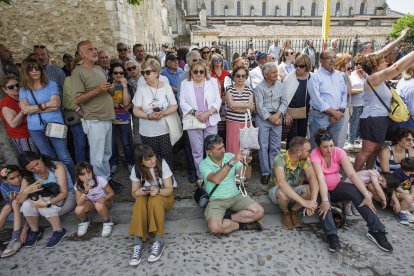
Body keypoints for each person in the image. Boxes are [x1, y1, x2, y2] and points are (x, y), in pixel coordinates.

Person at [310, 129, 393, 252]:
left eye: (331, 145)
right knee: (324, 202)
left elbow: (352, 175)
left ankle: (376, 230)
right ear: (319, 146)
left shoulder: (339, 152)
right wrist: (325, 200)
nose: (329, 150)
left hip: (336, 187)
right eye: (325, 147)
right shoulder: (314, 154)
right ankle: (332, 235)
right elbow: (321, 179)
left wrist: (366, 194)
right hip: (320, 189)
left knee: (356, 191)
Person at [354, 47, 414, 171]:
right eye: (382, 62)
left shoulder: (381, 80)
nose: (386, 63)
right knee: (367, 151)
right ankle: (353, 177)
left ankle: (369, 173)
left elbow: (400, 67)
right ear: (375, 67)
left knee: (376, 150)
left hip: (383, 118)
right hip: (373, 119)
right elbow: (396, 68)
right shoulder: (373, 78)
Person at [19, 57, 75, 181]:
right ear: (25, 71)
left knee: (64, 155)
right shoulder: (23, 90)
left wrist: (33, 108)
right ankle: (59, 182)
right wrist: (45, 105)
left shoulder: (51, 84)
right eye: (30, 68)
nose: (34, 71)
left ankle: (74, 183)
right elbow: (25, 110)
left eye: (37, 68)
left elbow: (55, 105)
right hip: (35, 128)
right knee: (48, 157)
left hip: (54, 124)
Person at [199, 135, 264, 235]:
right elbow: (216, 179)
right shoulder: (204, 164)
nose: (223, 150)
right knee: (215, 228)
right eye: (219, 149)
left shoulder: (229, 156)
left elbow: (246, 175)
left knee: (259, 211)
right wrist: (233, 161)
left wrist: (247, 164)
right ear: (209, 152)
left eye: (223, 146)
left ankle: (227, 218)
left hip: (235, 196)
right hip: (216, 200)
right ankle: (243, 225)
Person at [72, 40, 115, 183]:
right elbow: (77, 100)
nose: (94, 51)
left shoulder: (99, 69)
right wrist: (98, 90)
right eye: (90, 49)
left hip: (107, 117)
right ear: (81, 53)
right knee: (97, 157)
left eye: (95, 48)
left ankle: (106, 180)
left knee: (107, 154)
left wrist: (110, 89)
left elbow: (110, 93)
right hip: (94, 120)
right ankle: (101, 186)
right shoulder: (78, 72)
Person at [17, 151, 76, 248]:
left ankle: (59, 231)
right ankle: (35, 230)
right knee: (26, 205)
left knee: (44, 204)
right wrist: (26, 191)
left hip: (67, 198)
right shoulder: (28, 175)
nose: (36, 169)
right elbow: (19, 200)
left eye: (37, 164)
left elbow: (64, 193)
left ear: (40, 158)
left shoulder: (56, 167)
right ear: (26, 170)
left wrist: (45, 203)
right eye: (31, 169)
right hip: (45, 200)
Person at [128, 145, 175, 266]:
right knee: (139, 201)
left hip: (164, 197)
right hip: (146, 196)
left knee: (155, 199)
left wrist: (158, 191)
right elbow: (134, 193)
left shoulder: (161, 163)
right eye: (147, 159)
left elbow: (169, 189)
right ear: (140, 162)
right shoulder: (136, 169)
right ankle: (137, 243)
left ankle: (159, 240)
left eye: (152, 156)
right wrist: (139, 192)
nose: (152, 160)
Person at [180, 60, 221, 184]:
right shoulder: (185, 83)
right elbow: (182, 102)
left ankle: (214, 174)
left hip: (210, 120)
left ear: (205, 72)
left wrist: (208, 113)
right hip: (194, 121)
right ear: (191, 72)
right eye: (195, 71)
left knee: (212, 150)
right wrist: (195, 112)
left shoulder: (212, 82)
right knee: (197, 151)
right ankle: (201, 176)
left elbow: (217, 100)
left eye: (201, 71)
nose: (198, 74)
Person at [132, 59, 178, 170]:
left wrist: (164, 112)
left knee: (167, 156)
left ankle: (168, 178)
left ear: (157, 72)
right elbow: (135, 110)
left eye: (148, 72)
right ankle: (154, 179)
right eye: (143, 73)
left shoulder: (166, 87)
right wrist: (148, 116)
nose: (145, 76)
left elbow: (174, 105)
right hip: (147, 132)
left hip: (165, 129)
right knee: (150, 158)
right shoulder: (141, 89)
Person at [269, 137, 318, 229]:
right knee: (282, 193)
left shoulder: (305, 159)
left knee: (309, 189)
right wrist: (303, 202)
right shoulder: (280, 158)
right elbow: (281, 182)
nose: (310, 152)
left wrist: (313, 202)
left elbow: (312, 177)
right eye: (308, 150)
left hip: (295, 189)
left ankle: (293, 211)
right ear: (299, 152)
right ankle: (285, 213)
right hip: (277, 190)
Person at [254, 62, 287, 185]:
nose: (276, 74)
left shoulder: (280, 85)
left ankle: (275, 172)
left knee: (275, 146)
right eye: (273, 72)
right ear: (265, 74)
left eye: (276, 72)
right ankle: (266, 173)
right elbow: (260, 107)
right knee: (263, 146)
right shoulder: (259, 88)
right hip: (263, 119)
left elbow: (284, 101)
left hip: (277, 117)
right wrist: (270, 118)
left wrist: (278, 115)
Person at [307, 50, 347, 149]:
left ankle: (331, 165)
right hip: (320, 117)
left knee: (333, 145)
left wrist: (339, 112)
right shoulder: (315, 77)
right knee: (317, 146)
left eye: (334, 57)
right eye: (329, 58)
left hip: (338, 116)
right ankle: (316, 165)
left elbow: (344, 94)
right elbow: (317, 100)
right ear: (321, 60)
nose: (332, 60)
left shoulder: (339, 76)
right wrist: (333, 113)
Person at [74, 161, 115, 237]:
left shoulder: (100, 180)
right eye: (83, 174)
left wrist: (105, 198)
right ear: (78, 176)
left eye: (89, 172)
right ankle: (85, 221)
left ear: (92, 172)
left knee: (99, 205)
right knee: (78, 209)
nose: (87, 176)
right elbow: (79, 203)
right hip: (92, 204)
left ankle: (107, 222)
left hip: (105, 202)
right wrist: (85, 191)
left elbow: (111, 193)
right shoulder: (78, 185)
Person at [107, 62, 134, 174]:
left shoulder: (127, 85)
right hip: (110, 119)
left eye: (121, 73)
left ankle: (130, 163)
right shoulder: (108, 85)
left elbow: (126, 102)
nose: (118, 75)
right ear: (112, 74)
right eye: (116, 73)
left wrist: (124, 86)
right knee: (112, 144)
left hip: (124, 119)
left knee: (126, 143)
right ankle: (114, 163)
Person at [1, 74, 37, 153]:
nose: (15, 88)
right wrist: (23, 110)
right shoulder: (7, 103)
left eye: (17, 85)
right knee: (33, 160)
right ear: (4, 89)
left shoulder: (22, 97)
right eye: (11, 87)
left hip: (35, 132)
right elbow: (13, 124)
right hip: (23, 136)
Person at [283, 54, 312, 149]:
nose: (298, 68)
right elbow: (283, 97)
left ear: (307, 67)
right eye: (296, 65)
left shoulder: (311, 78)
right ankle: (289, 160)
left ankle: (299, 160)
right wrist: (286, 113)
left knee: (301, 138)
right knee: (292, 139)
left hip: (305, 113)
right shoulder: (290, 78)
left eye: (302, 66)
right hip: (291, 114)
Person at [62, 56, 88, 164]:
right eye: (78, 65)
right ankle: (81, 169)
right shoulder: (69, 80)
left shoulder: (89, 79)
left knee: (91, 144)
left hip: (90, 115)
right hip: (77, 117)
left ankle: (92, 169)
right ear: (73, 67)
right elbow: (68, 100)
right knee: (80, 144)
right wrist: (80, 111)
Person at [225, 66, 255, 154]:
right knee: (233, 148)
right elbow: (231, 104)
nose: (240, 78)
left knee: (245, 148)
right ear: (234, 77)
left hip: (246, 122)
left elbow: (251, 107)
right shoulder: (229, 89)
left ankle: (244, 167)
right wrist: (245, 106)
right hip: (233, 122)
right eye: (238, 76)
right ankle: (232, 167)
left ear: (246, 77)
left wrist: (236, 108)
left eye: (243, 76)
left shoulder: (249, 90)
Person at [0, 165, 25, 257]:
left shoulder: (25, 180)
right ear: (5, 180)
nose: (17, 180)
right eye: (12, 178)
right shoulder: (3, 186)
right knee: (8, 206)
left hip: (26, 207)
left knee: (14, 202)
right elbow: (9, 198)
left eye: (18, 176)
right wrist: (20, 194)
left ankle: (15, 237)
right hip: (15, 209)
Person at [333, 53, 353, 148]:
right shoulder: (342, 75)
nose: (350, 64)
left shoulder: (337, 74)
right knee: (340, 136)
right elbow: (349, 91)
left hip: (340, 108)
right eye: (348, 61)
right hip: (341, 109)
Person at [348, 54, 367, 151]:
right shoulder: (351, 75)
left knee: (362, 123)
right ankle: (350, 141)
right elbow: (348, 90)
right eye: (356, 63)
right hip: (355, 103)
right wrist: (361, 90)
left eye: (360, 63)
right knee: (354, 123)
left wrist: (365, 75)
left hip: (365, 103)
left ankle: (358, 139)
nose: (358, 65)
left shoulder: (366, 74)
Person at [392, 157, 414, 224]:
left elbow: (413, 184)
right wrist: (407, 194)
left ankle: (409, 211)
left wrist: (412, 193)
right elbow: (396, 187)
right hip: (397, 192)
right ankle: (402, 213)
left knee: (410, 196)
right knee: (408, 198)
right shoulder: (398, 173)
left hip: (407, 191)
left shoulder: (412, 174)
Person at [125, 60, 142, 145]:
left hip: (149, 110)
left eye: (134, 67)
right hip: (136, 112)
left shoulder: (146, 78)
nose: (132, 70)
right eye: (129, 69)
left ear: (138, 67)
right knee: (138, 136)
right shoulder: (127, 83)